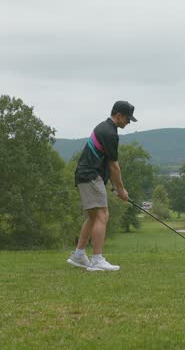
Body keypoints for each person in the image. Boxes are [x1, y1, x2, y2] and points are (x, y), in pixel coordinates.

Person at [67, 100, 136, 271]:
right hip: (91, 176)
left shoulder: (103, 127)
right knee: (102, 215)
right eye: (127, 119)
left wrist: (114, 187)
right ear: (118, 115)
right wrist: (121, 189)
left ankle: (78, 255)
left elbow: (105, 162)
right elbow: (113, 165)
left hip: (86, 175)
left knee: (92, 217)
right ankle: (97, 260)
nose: (128, 122)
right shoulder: (110, 133)